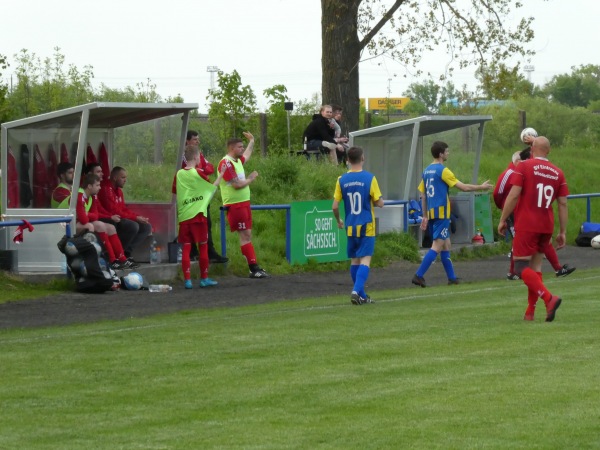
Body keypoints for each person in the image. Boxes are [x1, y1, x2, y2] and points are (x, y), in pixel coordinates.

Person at [498, 136, 566, 322]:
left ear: (532, 148)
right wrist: (562, 232)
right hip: (546, 225)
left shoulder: (524, 167)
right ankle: (530, 312)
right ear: (549, 151)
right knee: (535, 267)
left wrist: (503, 219)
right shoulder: (557, 172)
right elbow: (562, 204)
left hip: (528, 223)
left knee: (520, 267)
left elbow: (513, 195)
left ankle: (549, 298)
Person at [412, 141, 493, 288]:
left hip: (431, 213)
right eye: (447, 151)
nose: (448, 153)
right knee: (437, 245)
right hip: (441, 213)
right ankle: (419, 275)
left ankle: (452, 278)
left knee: (446, 244)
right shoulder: (443, 170)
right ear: (441, 154)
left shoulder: (427, 170)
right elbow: (463, 187)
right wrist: (481, 186)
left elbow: (423, 196)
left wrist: (424, 215)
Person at [494, 150, 575, 280]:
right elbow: (499, 193)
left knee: (540, 247)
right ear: (518, 161)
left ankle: (555, 271)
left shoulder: (529, 170)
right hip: (518, 213)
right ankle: (514, 272)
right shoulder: (511, 172)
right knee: (525, 250)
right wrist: (505, 210)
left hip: (528, 214)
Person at [332, 146, 384, 305]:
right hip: (366, 225)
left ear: (347, 160)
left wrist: (338, 220)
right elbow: (378, 202)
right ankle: (356, 291)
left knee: (354, 261)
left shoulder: (341, 180)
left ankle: (361, 295)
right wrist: (381, 202)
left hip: (350, 225)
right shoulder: (370, 178)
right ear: (363, 158)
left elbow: (334, 206)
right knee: (365, 260)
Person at [217, 132, 269, 278]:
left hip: (243, 203)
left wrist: (252, 140)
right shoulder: (226, 163)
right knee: (245, 235)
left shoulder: (237, 161)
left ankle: (254, 267)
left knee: (247, 234)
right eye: (240, 147)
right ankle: (253, 268)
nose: (242, 149)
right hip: (235, 204)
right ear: (232, 148)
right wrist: (250, 179)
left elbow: (247, 154)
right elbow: (237, 184)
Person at [173, 145, 226, 289]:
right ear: (197, 157)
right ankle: (204, 278)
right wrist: (221, 174)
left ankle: (187, 281)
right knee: (203, 246)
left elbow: (175, 191)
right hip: (198, 215)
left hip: (184, 216)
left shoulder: (178, 174)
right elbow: (211, 188)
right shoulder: (198, 173)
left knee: (186, 248)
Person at [183, 130, 228, 264]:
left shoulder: (199, 154)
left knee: (206, 223)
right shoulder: (184, 155)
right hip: (193, 195)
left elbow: (210, 168)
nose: (198, 141)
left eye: (198, 139)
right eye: (195, 139)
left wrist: (202, 169)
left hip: (203, 194)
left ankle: (209, 252)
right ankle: (194, 252)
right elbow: (191, 170)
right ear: (187, 141)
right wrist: (201, 170)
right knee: (192, 224)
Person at [75, 173, 133, 270]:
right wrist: (88, 216)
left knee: (111, 227)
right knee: (93, 226)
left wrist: (87, 214)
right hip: (66, 223)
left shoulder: (92, 195)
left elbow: (95, 215)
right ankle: (110, 259)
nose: (100, 188)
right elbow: (84, 220)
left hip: (80, 221)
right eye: (97, 185)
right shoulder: (80, 195)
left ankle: (121, 258)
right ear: (89, 186)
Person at [98, 166, 152, 261]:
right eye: (123, 177)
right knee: (133, 226)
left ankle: (126, 252)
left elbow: (123, 209)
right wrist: (135, 219)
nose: (125, 180)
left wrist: (138, 217)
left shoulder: (119, 191)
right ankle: (117, 254)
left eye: (125, 177)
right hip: (110, 218)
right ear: (115, 177)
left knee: (146, 227)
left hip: (119, 217)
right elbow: (114, 211)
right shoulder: (106, 189)